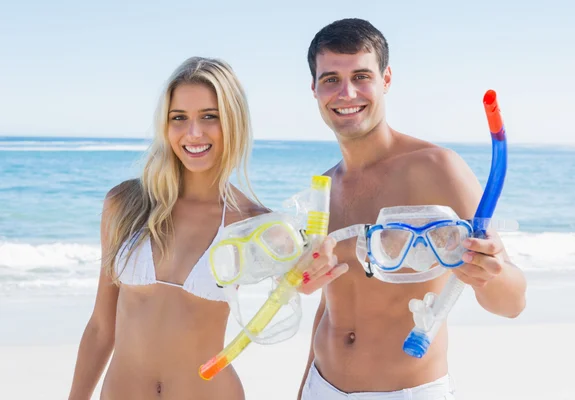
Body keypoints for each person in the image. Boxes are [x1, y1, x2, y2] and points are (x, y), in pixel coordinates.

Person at [68, 56, 345, 400]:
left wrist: (310, 272)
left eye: (209, 117)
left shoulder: (254, 224)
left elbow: (298, 282)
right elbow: (100, 327)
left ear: (233, 123)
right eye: (179, 118)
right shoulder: (125, 204)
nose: (193, 133)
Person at [298, 18, 527, 399]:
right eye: (331, 79)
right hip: (322, 386)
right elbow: (328, 307)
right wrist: (305, 388)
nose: (347, 92)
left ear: (386, 80)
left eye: (361, 76)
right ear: (315, 88)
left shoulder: (436, 167)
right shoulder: (326, 186)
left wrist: (490, 273)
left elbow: (513, 303)